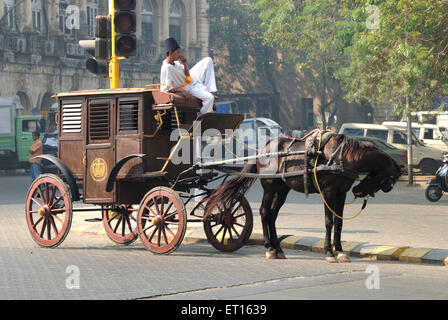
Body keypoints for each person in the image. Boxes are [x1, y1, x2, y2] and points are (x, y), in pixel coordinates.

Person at [160, 37, 218, 115]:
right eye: (177, 52)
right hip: (188, 87)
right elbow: (167, 88)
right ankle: (203, 118)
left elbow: (188, 75)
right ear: (170, 53)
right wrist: (182, 91)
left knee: (208, 60)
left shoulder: (176, 63)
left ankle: (210, 90)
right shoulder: (166, 68)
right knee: (209, 98)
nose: (179, 54)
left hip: (191, 79)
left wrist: (184, 63)